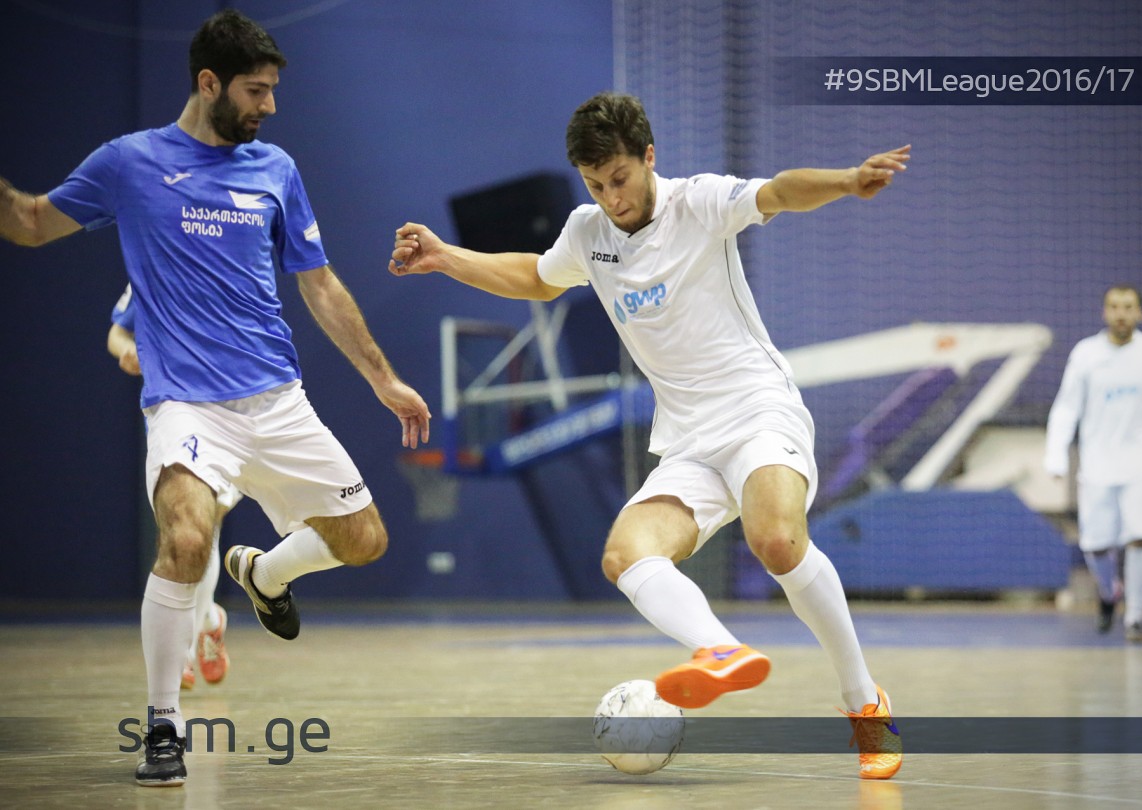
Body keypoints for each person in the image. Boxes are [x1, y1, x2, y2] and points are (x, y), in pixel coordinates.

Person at [389, 91, 908, 780]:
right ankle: (718, 650)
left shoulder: (700, 202)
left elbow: (780, 192)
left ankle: (864, 702)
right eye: (595, 185)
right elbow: (537, 278)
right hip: (688, 439)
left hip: (758, 410)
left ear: (648, 157)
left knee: (778, 541)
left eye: (620, 179)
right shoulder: (588, 232)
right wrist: (446, 256)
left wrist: (846, 181)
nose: (612, 198)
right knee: (624, 555)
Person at [1, 9, 430, 787]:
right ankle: (163, 725)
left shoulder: (276, 170)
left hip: (278, 402)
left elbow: (320, 285)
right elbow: (30, 222)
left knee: (365, 538)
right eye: (256, 91)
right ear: (209, 83)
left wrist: (382, 378)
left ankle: (264, 576)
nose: (270, 105)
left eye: (272, 90)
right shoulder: (129, 163)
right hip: (188, 407)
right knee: (187, 541)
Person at [1045, 285, 1142, 642]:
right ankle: (1109, 591)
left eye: (1128, 307)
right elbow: (1067, 407)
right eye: (1114, 307)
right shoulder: (1085, 354)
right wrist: (1055, 455)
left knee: (1141, 538)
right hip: (1097, 466)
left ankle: (1136, 618)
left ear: (1140, 313)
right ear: (1105, 312)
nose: (1121, 314)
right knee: (1096, 545)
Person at [109, 284, 233, 691]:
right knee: (184, 532)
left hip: (231, 414)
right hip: (170, 418)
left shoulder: (233, 266)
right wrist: (128, 350)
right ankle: (209, 620)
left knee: (204, 526)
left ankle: (184, 652)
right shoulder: (148, 268)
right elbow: (117, 333)